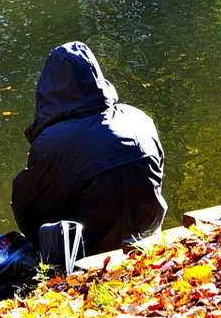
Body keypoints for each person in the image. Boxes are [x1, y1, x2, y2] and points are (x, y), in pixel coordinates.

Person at [11, 42, 167, 257]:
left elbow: (30, 214)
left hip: (90, 251)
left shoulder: (54, 142)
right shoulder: (138, 118)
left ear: (49, 87)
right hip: (149, 237)